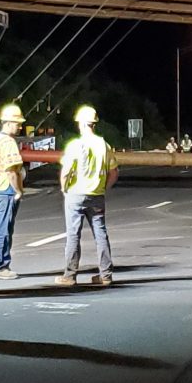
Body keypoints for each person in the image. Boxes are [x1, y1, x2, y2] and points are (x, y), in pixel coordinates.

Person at [57, 104, 118, 288]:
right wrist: (102, 188)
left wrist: (64, 188)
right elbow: (114, 172)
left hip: (75, 194)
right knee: (101, 234)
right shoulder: (104, 145)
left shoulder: (75, 145)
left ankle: (70, 275)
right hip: (96, 195)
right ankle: (105, 275)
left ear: (82, 124)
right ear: (94, 124)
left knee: (73, 235)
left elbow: (66, 172)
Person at [0, 103, 28, 278]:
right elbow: (12, 170)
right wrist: (18, 190)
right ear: (8, 122)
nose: (20, 126)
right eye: (17, 123)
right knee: (4, 229)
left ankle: (0, 264)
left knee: (1, 227)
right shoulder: (9, 142)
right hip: (6, 189)